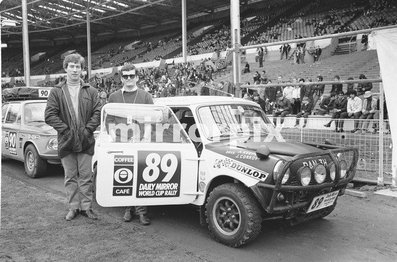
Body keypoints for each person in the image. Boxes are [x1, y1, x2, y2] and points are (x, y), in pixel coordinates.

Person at [45, 53, 101, 221]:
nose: (75, 70)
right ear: (66, 68)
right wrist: (67, 131)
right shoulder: (57, 91)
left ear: (82, 70)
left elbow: (97, 113)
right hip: (66, 141)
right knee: (70, 177)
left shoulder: (91, 91)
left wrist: (86, 131)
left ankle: (86, 207)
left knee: (85, 177)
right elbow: (49, 115)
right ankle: (73, 208)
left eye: (78, 67)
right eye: (72, 66)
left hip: (86, 140)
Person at [108, 64, 152, 226]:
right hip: (122, 143)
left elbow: (149, 121)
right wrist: (115, 138)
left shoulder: (145, 96)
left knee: (141, 177)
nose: (128, 79)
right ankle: (127, 208)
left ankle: (141, 212)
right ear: (121, 79)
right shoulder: (114, 96)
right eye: (125, 76)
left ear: (137, 77)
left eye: (131, 76)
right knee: (124, 176)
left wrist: (144, 139)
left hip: (140, 143)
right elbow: (110, 121)